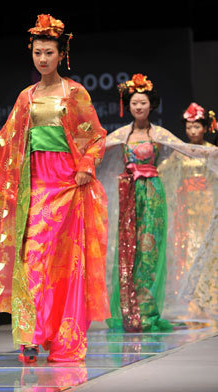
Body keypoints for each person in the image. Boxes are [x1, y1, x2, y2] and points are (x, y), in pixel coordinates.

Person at [0, 14, 110, 362]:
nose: (42, 59)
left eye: (49, 53)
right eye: (37, 52)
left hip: (68, 185)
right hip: (35, 185)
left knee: (64, 264)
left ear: (61, 54)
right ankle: (30, 333)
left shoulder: (75, 93)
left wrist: (86, 164)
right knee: (32, 259)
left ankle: (60, 336)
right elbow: (6, 141)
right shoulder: (27, 96)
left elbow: (96, 136)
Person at [97, 74, 218, 333]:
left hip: (152, 193)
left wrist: (212, 152)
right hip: (128, 194)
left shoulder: (158, 133)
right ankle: (129, 312)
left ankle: (148, 312)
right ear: (128, 106)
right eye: (134, 103)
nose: (139, 107)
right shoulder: (121, 134)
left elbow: (188, 149)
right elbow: (94, 150)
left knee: (149, 252)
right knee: (128, 251)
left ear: (150, 105)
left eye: (143, 103)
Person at [160, 102, 218, 321]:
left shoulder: (212, 152)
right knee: (188, 251)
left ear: (205, 128)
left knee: (210, 252)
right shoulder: (180, 154)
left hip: (207, 206)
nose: (193, 131)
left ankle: (209, 298)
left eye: (197, 127)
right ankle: (192, 303)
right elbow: (164, 172)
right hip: (187, 210)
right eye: (189, 127)